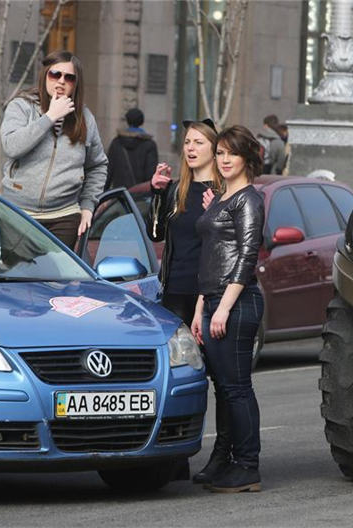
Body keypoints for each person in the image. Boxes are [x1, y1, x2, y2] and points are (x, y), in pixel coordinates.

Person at [191, 125, 265, 493]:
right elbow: (211, 255)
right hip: (214, 299)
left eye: (229, 153)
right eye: (219, 153)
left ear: (246, 158)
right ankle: (225, 458)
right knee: (223, 387)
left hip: (236, 301)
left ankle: (247, 465)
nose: (222, 160)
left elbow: (246, 258)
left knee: (237, 388)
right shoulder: (222, 198)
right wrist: (201, 308)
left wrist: (222, 310)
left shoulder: (249, 200)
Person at [0, 50, 108, 250]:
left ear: (76, 84)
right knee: (17, 276)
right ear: (45, 76)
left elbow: (98, 165)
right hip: (18, 213)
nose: (61, 81)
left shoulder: (84, 118)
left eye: (69, 77)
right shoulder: (22, 107)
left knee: (54, 281)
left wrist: (87, 206)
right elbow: (12, 147)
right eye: (55, 74)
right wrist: (49, 117)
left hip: (63, 217)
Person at [145, 118, 220, 326]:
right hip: (174, 290)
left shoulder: (222, 193)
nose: (191, 148)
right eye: (187, 142)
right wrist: (158, 194)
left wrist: (216, 214)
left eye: (198, 142)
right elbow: (155, 234)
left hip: (208, 293)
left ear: (214, 149)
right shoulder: (176, 190)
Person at [104, 107, 158, 191]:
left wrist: (102, 197)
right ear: (141, 121)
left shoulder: (116, 143)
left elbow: (108, 172)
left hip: (119, 196)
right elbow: (151, 175)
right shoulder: (149, 144)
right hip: (140, 197)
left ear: (127, 120)